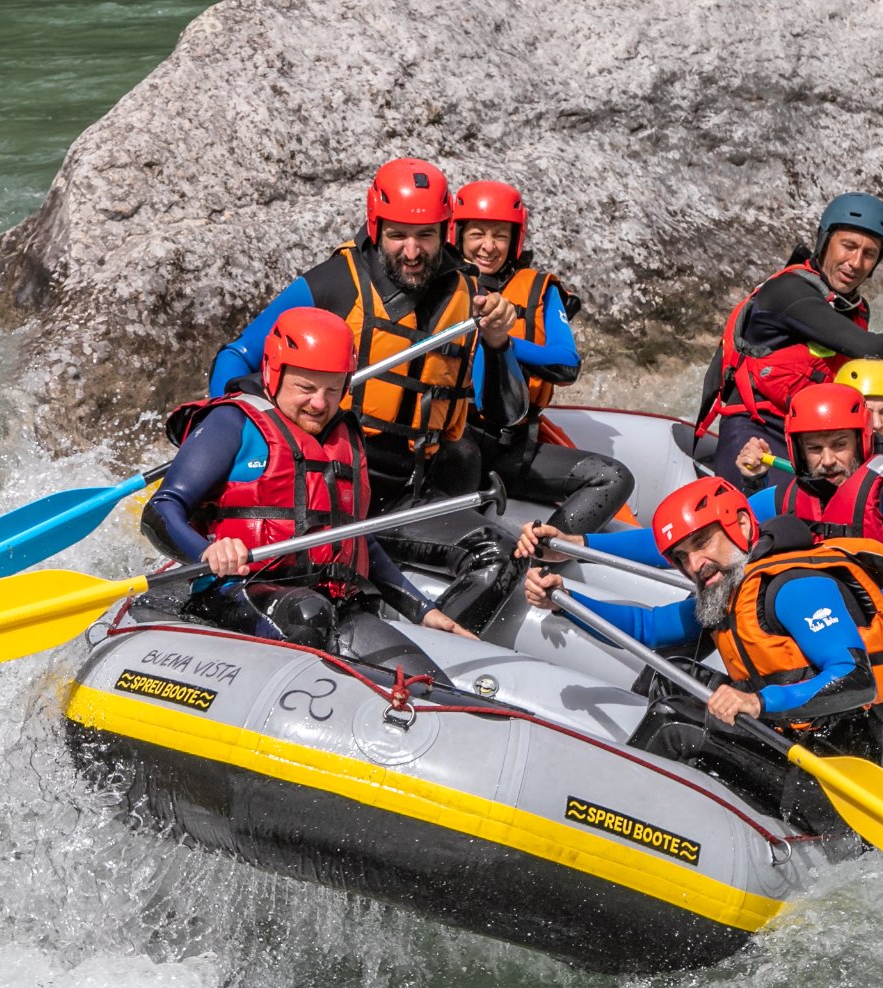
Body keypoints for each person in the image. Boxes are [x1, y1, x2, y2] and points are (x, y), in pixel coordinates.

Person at [206, 158, 526, 633]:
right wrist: (235, 435)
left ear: (446, 232)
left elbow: (507, 414)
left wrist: (499, 344)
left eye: (426, 237)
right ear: (375, 226)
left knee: (498, 555)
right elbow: (234, 359)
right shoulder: (332, 284)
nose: (412, 251)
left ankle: (432, 650)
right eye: (398, 234)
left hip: (409, 495)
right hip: (332, 492)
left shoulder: (469, 296)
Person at [523, 477, 883, 826]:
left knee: (674, 721)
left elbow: (857, 680)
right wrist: (566, 600)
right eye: (681, 557)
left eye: (703, 542)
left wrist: (757, 702)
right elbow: (649, 629)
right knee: (672, 674)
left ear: (741, 525)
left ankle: (612, 818)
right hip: (789, 742)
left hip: (837, 768)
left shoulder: (794, 588)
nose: (696, 565)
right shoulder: (730, 594)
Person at [143, 307, 472, 678]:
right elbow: (161, 510)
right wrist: (208, 551)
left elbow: (356, 537)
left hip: (328, 603)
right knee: (307, 615)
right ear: (273, 372)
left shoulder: (345, 437)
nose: (320, 403)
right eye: (306, 388)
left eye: (333, 390)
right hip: (237, 592)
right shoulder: (230, 421)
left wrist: (422, 609)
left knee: (422, 681)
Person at [524, 384, 883, 635]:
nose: (828, 460)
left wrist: (819, 603)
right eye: (815, 449)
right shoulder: (784, 498)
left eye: (839, 445)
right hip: (817, 626)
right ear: (797, 452)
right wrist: (580, 545)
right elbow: (687, 538)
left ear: (861, 440)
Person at [694, 192, 883, 489]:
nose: (855, 262)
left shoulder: (853, 309)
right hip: (756, 432)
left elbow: (854, 379)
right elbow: (871, 350)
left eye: (869, 254)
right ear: (825, 241)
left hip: (816, 438)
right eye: (848, 246)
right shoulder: (787, 292)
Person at [450, 179, 634, 533]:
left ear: (514, 240)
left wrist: (500, 339)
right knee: (461, 458)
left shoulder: (540, 290)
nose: (488, 246)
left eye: (500, 235)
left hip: (512, 447)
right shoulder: (443, 287)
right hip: (457, 437)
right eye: (477, 234)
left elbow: (567, 364)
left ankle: (546, 547)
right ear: (458, 235)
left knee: (613, 477)